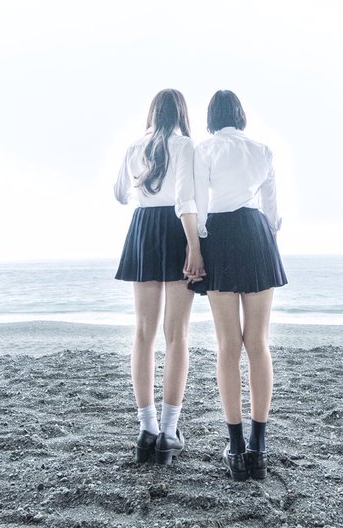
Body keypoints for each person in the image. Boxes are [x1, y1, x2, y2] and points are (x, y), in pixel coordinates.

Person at [190, 90, 286, 481]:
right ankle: (258, 448)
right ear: (240, 116)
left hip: (221, 235)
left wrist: (199, 244)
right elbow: (272, 211)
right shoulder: (262, 150)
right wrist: (267, 239)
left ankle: (235, 446)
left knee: (228, 345)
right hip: (257, 234)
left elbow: (198, 204)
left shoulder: (205, 149)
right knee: (258, 343)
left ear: (212, 117)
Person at [113, 89, 205, 465]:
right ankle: (168, 432)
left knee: (142, 333)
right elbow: (186, 198)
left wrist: (142, 192)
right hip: (176, 227)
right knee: (177, 333)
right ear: (181, 113)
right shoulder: (184, 145)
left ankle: (146, 429)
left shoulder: (135, 146)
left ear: (153, 113)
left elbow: (120, 194)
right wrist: (194, 245)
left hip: (143, 228)